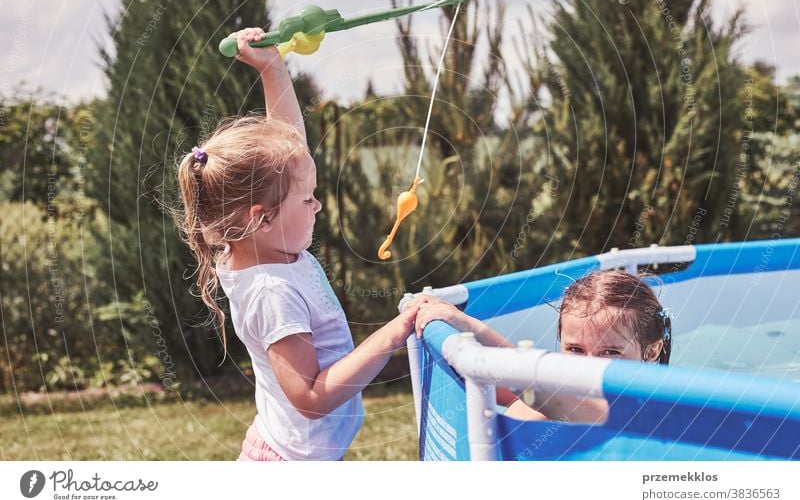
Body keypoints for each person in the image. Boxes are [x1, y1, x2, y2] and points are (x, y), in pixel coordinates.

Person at [176, 28, 416, 461]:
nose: (318, 206)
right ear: (261, 218)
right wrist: (394, 334)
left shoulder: (261, 246)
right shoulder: (272, 292)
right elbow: (308, 397)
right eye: (307, 199)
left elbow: (289, 150)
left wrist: (272, 67)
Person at [407, 270, 672, 423]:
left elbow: (539, 392)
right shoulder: (561, 389)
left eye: (610, 352)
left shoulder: (639, 410)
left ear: (651, 351)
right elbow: (522, 387)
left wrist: (472, 327)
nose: (587, 365)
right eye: (575, 349)